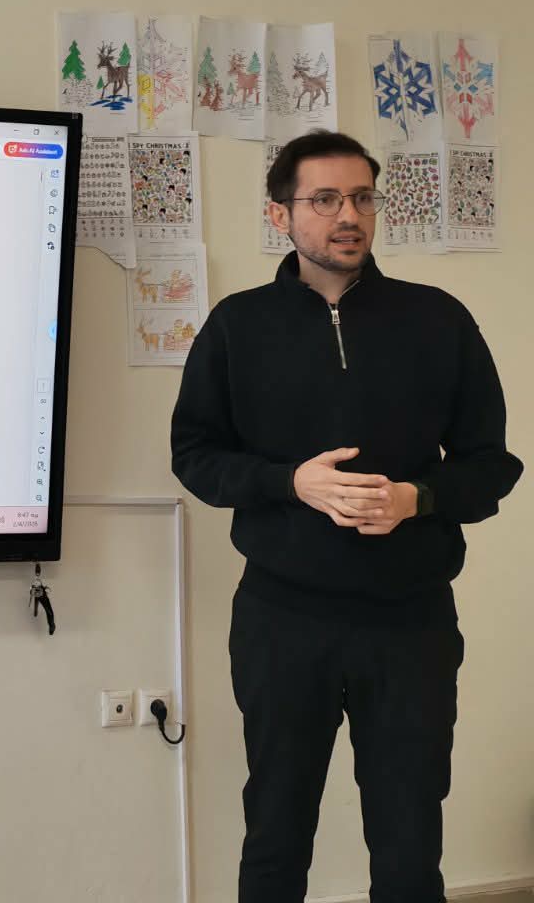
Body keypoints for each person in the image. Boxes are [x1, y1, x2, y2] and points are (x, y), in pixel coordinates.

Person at [170, 129, 521, 902]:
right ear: (280, 214)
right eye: (324, 199)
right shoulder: (237, 325)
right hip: (281, 620)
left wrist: (417, 498)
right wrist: (289, 483)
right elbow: (195, 456)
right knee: (275, 832)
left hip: (410, 623)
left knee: (408, 844)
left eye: (362, 197)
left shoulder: (438, 320)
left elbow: (492, 466)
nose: (348, 216)